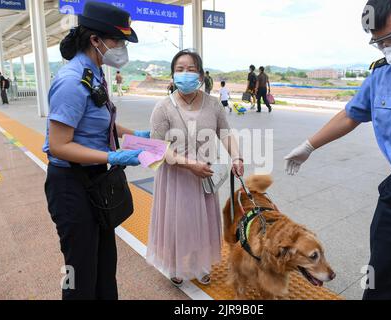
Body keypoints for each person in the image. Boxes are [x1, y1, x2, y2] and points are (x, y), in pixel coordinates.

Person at [284, 0, 391, 300]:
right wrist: (308, 146)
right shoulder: (383, 73)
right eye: (379, 43)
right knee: (377, 279)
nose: (388, 49)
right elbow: (351, 114)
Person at [42, 2, 150, 300]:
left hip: (93, 181)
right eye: (118, 41)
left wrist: (137, 137)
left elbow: (99, 125)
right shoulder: (70, 81)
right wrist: (112, 156)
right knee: (78, 272)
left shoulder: (93, 72)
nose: (122, 49)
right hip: (70, 186)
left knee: (104, 265)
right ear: (95, 40)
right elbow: (59, 145)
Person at [147, 49, 244, 287]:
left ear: (200, 75)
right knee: (177, 223)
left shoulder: (213, 105)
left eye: (191, 69)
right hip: (176, 175)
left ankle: (200, 264)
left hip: (205, 174)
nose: (185, 74)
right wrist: (190, 165)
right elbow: (157, 148)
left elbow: (226, 133)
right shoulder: (163, 107)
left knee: (203, 222)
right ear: (172, 75)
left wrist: (237, 157)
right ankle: (175, 265)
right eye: (179, 69)